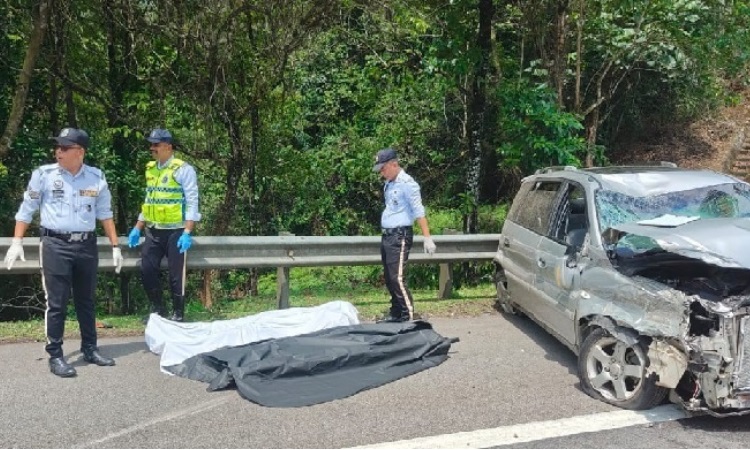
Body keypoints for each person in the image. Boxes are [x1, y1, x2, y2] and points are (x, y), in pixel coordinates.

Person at [3, 127, 123, 378]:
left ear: (80, 152)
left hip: (86, 245)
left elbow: (105, 213)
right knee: (56, 303)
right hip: (55, 245)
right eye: (57, 147)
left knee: (86, 300)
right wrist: (17, 242)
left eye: (65, 147)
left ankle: (90, 348)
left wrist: (115, 246)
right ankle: (55, 354)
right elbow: (26, 210)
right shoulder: (44, 175)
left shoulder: (96, 177)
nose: (59, 151)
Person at [128, 129, 201, 323]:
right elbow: (149, 200)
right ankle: (159, 309)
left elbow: (192, 200)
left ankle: (178, 313)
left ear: (168, 147)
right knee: (147, 270)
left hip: (176, 230)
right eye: (151, 145)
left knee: (176, 275)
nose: (152, 148)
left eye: (156, 145)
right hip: (153, 230)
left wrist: (188, 231)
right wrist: (138, 226)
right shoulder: (152, 169)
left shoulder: (183, 169)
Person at [373, 147, 436, 323]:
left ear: (394, 164)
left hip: (399, 235)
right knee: (389, 277)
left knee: (397, 278)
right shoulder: (389, 183)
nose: (382, 173)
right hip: (387, 235)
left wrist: (427, 237)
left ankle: (408, 317)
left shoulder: (408, 183)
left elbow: (418, 210)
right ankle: (396, 313)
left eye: (383, 169)